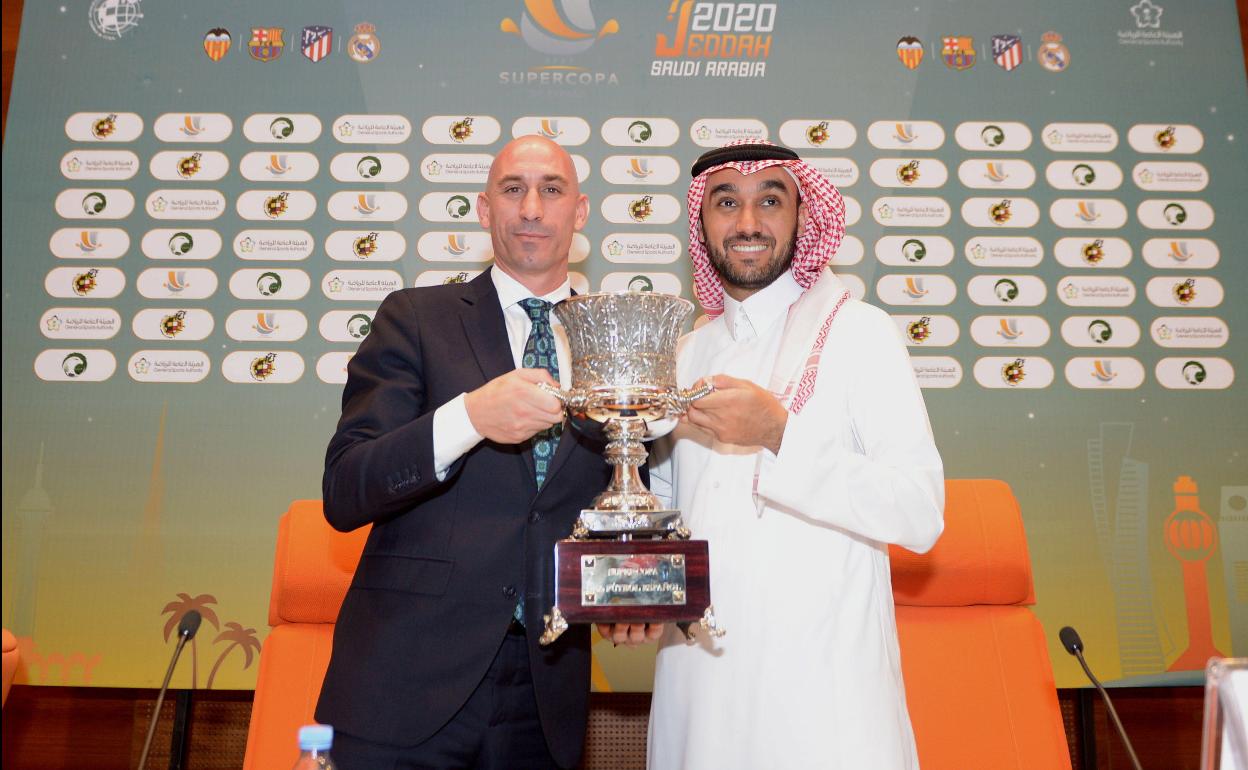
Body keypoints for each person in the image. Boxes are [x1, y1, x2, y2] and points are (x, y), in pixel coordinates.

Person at [317, 135, 651, 770]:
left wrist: (631, 589)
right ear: (483, 208)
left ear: (580, 212)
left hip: (546, 688)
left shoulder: (616, 346)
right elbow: (346, 489)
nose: (532, 208)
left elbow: (629, 494)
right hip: (403, 683)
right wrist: (468, 418)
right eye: (512, 189)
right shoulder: (416, 318)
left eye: (552, 190)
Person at [646, 141, 945, 769]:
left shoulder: (861, 333)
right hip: (698, 691)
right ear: (702, 223)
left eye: (770, 201)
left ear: (803, 216)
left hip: (821, 697)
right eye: (726, 203)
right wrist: (634, 590)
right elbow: (667, 519)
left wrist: (780, 433)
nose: (748, 223)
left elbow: (919, 513)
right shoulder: (684, 355)